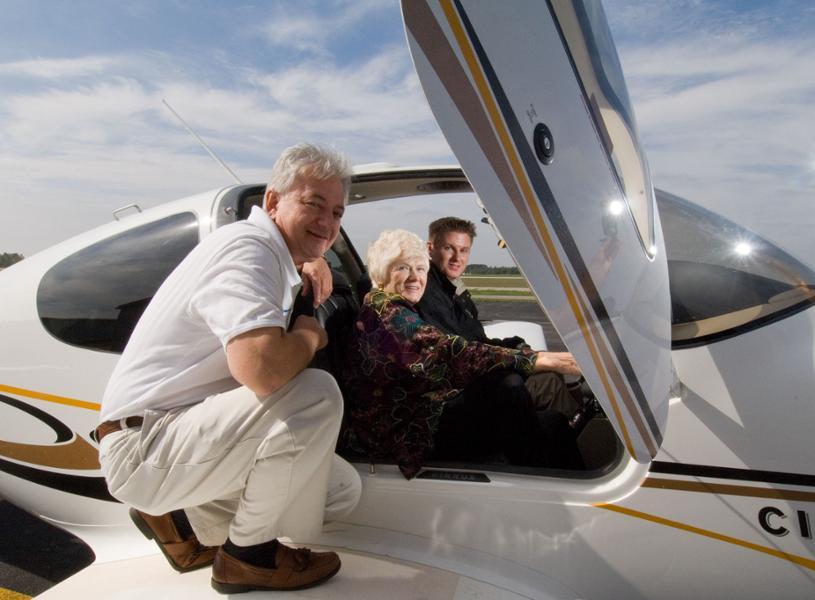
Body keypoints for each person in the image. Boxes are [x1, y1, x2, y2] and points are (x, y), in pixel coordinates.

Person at [96, 143, 362, 594]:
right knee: (317, 394)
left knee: (339, 491)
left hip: (179, 431)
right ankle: (247, 559)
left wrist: (312, 259)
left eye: (336, 213)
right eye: (314, 204)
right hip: (145, 443)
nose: (327, 222)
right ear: (273, 202)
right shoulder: (248, 249)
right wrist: (310, 334)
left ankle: (183, 519)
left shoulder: (274, 255)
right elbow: (262, 371)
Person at [342, 229, 583, 480]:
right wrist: (542, 359)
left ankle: (549, 476)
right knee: (508, 388)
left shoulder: (387, 306)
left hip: (417, 412)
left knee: (550, 422)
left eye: (421, 268)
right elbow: (452, 352)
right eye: (402, 268)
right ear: (381, 274)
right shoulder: (390, 317)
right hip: (403, 435)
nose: (415, 277)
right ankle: (540, 481)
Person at [415, 216, 586, 424]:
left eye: (464, 250)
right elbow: (463, 354)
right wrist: (524, 359)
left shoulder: (450, 290)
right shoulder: (429, 293)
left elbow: (478, 341)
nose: (456, 258)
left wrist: (516, 346)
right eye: (449, 248)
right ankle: (577, 437)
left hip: (471, 378)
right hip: (458, 392)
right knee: (549, 383)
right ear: (430, 248)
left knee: (549, 370)